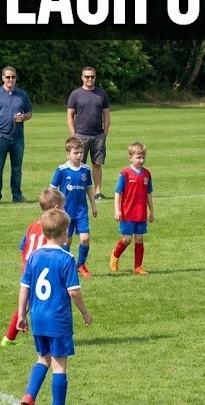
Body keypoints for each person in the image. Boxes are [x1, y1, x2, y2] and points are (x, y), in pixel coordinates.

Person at [16, 208, 93, 405]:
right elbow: (74, 291)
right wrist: (85, 313)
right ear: (65, 233)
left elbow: (25, 288)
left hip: (38, 318)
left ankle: (29, 396)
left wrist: (22, 314)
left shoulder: (34, 256)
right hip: (58, 320)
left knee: (43, 359)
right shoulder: (66, 258)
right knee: (59, 365)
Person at [2, 187, 66, 347]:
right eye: (63, 207)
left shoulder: (32, 225)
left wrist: (25, 262)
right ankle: (14, 337)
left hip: (28, 268)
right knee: (42, 303)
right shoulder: (51, 228)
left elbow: (22, 246)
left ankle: (9, 337)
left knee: (27, 303)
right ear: (57, 208)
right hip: (41, 270)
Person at [50, 137, 98, 278]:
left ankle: (81, 265)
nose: (79, 155)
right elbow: (52, 189)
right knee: (67, 240)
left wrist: (94, 205)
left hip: (81, 211)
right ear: (68, 154)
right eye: (75, 153)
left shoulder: (85, 169)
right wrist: (53, 207)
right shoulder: (62, 170)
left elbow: (89, 188)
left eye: (81, 153)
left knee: (85, 238)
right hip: (65, 212)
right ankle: (65, 266)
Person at [0, 66, 32, 203]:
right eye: (8, 77)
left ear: (16, 78)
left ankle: (17, 195)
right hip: (1, 137)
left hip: (17, 137)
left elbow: (29, 113)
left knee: (17, 169)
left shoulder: (22, 94)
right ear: (3, 78)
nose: (10, 79)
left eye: (13, 77)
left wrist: (23, 117)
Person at [109, 142, 154, 275]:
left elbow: (148, 194)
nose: (141, 160)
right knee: (127, 239)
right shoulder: (125, 173)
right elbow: (118, 192)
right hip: (127, 212)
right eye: (138, 157)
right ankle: (115, 255)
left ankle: (138, 267)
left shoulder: (147, 174)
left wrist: (151, 211)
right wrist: (117, 210)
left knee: (139, 238)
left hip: (141, 213)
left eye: (143, 157)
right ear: (130, 158)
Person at [67, 66, 111, 200]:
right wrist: (73, 133)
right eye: (87, 76)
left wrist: (105, 131)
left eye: (92, 76)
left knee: (97, 164)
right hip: (80, 135)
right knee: (78, 164)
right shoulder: (75, 94)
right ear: (82, 77)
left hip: (98, 135)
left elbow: (106, 114)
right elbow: (70, 114)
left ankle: (98, 192)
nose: (89, 79)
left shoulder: (101, 94)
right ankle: (78, 191)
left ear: (95, 77)